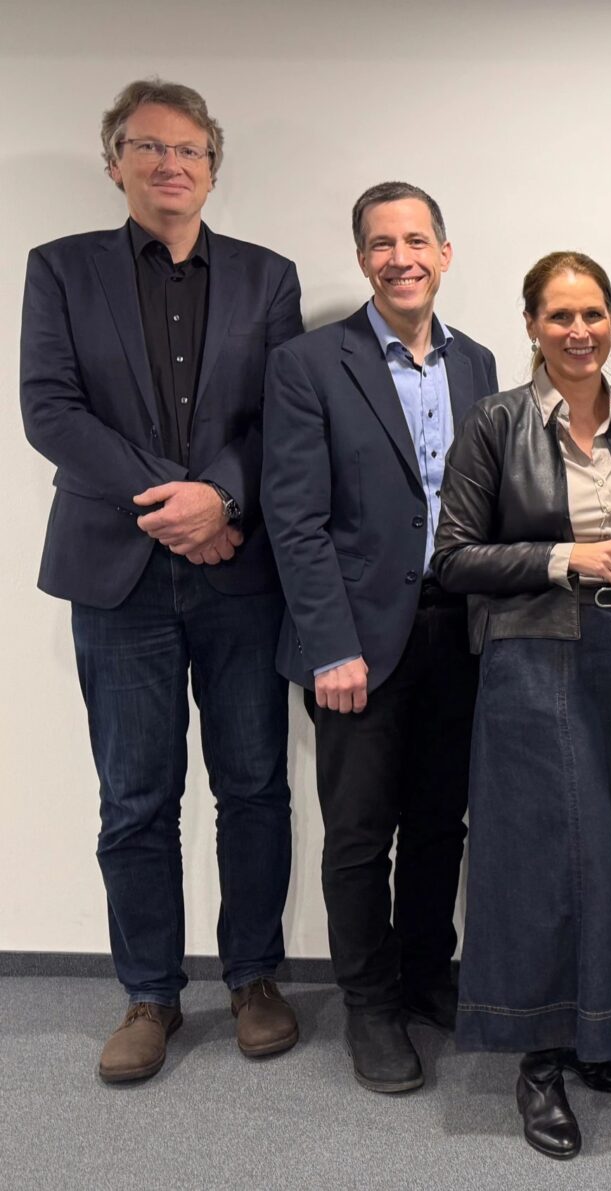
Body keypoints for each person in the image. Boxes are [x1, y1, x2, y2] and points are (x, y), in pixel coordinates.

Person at [20, 78, 302, 1082]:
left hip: (240, 573)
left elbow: (280, 417)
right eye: (148, 147)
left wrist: (220, 499)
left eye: (188, 150)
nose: (170, 164)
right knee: (136, 796)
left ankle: (255, 977)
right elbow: (50, 409)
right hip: (118, 576)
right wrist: (176, 507)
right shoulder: (60, 270)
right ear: (116, 164)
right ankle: (149, 994)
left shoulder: (269, 278)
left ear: (212, 168)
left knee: (254, 785)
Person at [434, 251, 611, 1159]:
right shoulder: (496, 422)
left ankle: (593, 1029)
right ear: (532, 327)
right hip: (533, 654)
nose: (579, 332)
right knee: (545, 859)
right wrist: (564, 556)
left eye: (593, 314)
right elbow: (453, 556)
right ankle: (537, 1058)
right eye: (560, 316)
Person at [262, 182, 497, 1093]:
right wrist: (330, 644)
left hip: (458, 632)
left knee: (441, 822)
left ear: (445, 252)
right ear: (362, 259)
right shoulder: (309, 364)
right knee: (361, 834)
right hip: (356, 641)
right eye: (382, 244)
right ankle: (369, 1003)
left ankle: (425, 972)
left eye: (417, 240)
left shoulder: (477, 364)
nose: (402, 258)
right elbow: (295, 517)